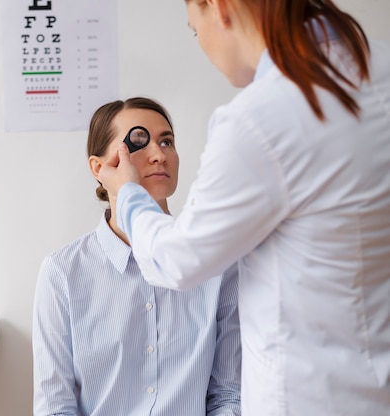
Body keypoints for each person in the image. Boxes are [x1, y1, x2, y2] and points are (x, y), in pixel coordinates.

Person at [97, 1, 390, 415]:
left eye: (195, 32)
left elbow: (177, 260)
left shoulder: (261, 118)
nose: (159, 156)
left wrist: (128, 194)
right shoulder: (378, 66)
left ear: (219, 8)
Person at [32, 97, 241, 416]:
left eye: (167, 141)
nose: (159, 155)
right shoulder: (63, 272)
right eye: (138, 142)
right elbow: (55, 406)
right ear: (99, 168)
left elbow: (229, 393)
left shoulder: (216, 262)